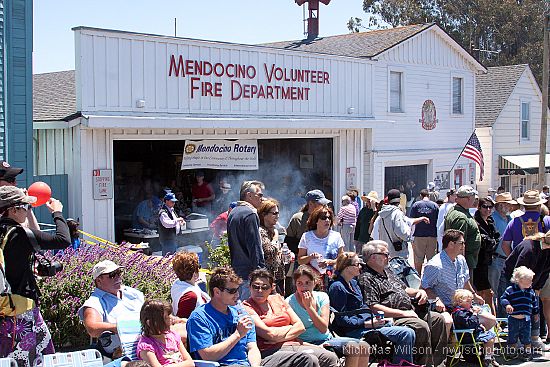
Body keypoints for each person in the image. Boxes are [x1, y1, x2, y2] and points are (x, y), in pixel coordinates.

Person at [186, 267, 316, 367]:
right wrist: (237, 335)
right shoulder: (199, 318)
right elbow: (208, 356)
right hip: (224, 364)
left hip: (250, 363)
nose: (237, 295)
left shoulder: (240, 312)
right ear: (216, 292)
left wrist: (255, 365)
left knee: (306, 360)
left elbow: (252, 347)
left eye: (238, 290)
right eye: (232, 291)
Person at [0, 187, 71, 366]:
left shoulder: (3, 232)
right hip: (19, 311)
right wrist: (57, 212)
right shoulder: (18, 233)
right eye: (25, 206)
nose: (27, 209)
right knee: (27, 361)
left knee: (43, 355)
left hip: (7, 308)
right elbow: (63, 240)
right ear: (13, 209)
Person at [358, 240, 448, 367]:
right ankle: (423, 364)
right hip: (392, 317)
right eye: (385, 254)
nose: (388, 257)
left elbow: (405, 289)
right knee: (420, 326)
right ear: (373, 257)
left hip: (411, 311)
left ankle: (439, 364)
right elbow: (374, 306)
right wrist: (404, 313)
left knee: (437, 320)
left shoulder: (387, 271)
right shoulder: (367, 278)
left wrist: (419, 292)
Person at [79, 260, 187, 358]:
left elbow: (150, 311)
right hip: (126, 343)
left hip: (150, 333)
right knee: (184, 335)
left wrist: (170, 318)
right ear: (99, 280)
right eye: (112, 275)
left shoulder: (130, 292)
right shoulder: (95, 302)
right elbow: (92, 328)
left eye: (118, 273)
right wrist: (125, 327)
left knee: (188, 327)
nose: (118, 277)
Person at [243, 269, 348, 367]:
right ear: (250, 287)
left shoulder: (278, 299)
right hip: (270, 350)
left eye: (265, 287)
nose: (260, 290)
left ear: (271, 288)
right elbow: (269, 334)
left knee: (330, 358)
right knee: (308, 359)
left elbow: (300, 326)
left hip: (294, 344)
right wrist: (289, 329)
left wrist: (278, 335)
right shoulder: (248, 306)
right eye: (256, 287)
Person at [328, 252, 416, 364]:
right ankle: (401, 365)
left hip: (368, 324)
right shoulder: (337, 287)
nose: (360, 267)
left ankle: (396, 362)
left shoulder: (354, 283)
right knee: (406, 333)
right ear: (348, 267)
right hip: (355, 330)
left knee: (407, 330)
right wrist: (367, 324)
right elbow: (342, 319)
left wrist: (376, 319)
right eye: (357, 264)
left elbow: (363, 306)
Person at [280, 266, 370, 367]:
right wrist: (308, 307)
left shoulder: (322, 297)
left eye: (307, 283)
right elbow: (292, 335)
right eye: (299, 283)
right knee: (353, 348)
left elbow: (323, 328)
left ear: (314, 283)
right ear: (295, 284)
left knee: (364, 347)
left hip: (326, 339)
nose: (303, 287)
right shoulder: (289, 302)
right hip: (305, 343)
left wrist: (309, 307)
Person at [421, 230, 484, 327]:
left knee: (490, 320)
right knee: (447, 322)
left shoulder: (461, 260)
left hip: (463, 307)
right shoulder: (435, 265)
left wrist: (474, 295)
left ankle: (472, 341)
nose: (464, 246)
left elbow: (465, 281)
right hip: (444, 307)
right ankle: (446, 342)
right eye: (461, 243)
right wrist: (437, 300)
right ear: (451, 244)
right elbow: (424, 287)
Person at [499, 231, 550, 351]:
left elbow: (546, 271)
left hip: (530, 283)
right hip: (515, 280)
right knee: (518, 309)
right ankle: (516, 340)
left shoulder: (547, 251)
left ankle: (534, 338)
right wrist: (521, 289)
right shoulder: (529, 248)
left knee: (533, 309)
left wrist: (537, 288)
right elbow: (518, 271)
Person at [227, 180, 266, 300]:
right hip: (249, 275)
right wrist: (261, 273)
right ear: (249, 195)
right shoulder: (250, 214)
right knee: (250, 313)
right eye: (259, 195)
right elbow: (254, 246)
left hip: (237, 272)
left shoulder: (233, 212)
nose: (262, 198)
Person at [137, 299, 194, 367]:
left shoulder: (173, 336)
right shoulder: (146, 346)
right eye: (166, 318)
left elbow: (190, 363)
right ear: (150, 323)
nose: (171, 320)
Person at [297, 207, 344, 287]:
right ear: (316, 221)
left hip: (333, 279)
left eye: (329, 218)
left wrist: (330, 262)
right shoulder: (307, 236)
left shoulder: (336, 236)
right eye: (323, 218)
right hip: (312, 280)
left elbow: (342, 259)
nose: (327, 220)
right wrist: (310, 257)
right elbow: (300, 260)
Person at [451, 289, 499, 367]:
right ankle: (488, 359)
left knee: (489, 335)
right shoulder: (459, 313)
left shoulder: (463, 311)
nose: (471, 304)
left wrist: (480, 326)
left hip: (471, 334)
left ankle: (487, 356)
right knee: (491, 337)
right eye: (468, 302)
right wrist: (475, 314)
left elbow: (471, 323)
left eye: (471, 301)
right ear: (460, 302)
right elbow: (469, 323)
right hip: (468, 336)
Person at [501, 266, 539, 361]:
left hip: (526, 319)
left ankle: (527, 353)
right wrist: (507, 305)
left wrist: (535, 313)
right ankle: (512, 352)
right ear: (520, 280)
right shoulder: (511, 289)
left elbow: (534, 303)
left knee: (526, 337)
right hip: (513, 318)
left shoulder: (531, 291)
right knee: (512, 336)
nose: (531, 282)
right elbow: (503, 298)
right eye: (529, 280)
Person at [444, 185, 481, 279]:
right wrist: (461, 267)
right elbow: (458, 244)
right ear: (468, 198)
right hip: (464, 262)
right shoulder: (460, 217)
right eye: (473, 197)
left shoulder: (459, 210)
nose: (474, 200)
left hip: (467, 260)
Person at [501, 190, 550, 255]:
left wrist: (513, 260)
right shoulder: (548, 220)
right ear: (539, 205)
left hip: (521, 261)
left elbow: (505, 245)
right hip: (542, 262)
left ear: (524, 205)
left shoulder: (514, 222)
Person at [473, 197, 499, 314]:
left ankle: (492, 321)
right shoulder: (476, 222)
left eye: (490, 207)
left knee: (488, 292)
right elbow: (484, 242)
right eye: (485, 206)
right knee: (485, 292)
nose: (488, 209)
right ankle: (490, 320)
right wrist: (490, 242)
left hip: (489, 261)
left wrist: (492, 242)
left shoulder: (490, 221)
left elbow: (496, 238)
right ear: (479, 207)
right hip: (479, 262)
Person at [488, 193, 516, 301]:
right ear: (500, 205)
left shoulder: (510, 219)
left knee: (506, 291)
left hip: (507, 259)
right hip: (496, 259)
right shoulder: (492, 219)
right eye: (508, 204)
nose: (511, 207)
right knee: (494, 291)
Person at [285, 190, 331, 256]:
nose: (324, 206)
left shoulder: (326, 218)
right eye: (321, 204)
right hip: (302, 260)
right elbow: (289, 242)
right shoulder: (298, 218)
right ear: (311, 203)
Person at [0, 160, 40, 230]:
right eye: (11, 180)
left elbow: (36, 234)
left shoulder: (14, 206)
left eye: (15, 179)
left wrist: (26, 204)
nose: (15, 183)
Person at [257, 199, 285, 293]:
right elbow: (269, 251)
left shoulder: (272, 230)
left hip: (278, 277)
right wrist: (276, 235)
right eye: (274, 213)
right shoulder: (261, 231)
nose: (277, 216)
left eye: (278, 213)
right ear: (264, 215)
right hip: (267, 279)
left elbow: (277, 251)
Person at [171, 252, 210, 319]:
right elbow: (181, 322)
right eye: (198, 267)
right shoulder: (190, 297)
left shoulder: (177, 284)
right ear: (194, 273)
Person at [410, 189, 439, 274]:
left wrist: (411, 236)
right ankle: (430, 278)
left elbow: (412, 221)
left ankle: (418, 278)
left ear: (420, 196)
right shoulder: (435, 206)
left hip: (419, 235)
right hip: (432, 235)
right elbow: (438, 220)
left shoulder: (416, 205)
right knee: (431, 260)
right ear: (428, 196)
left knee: (418, 259)